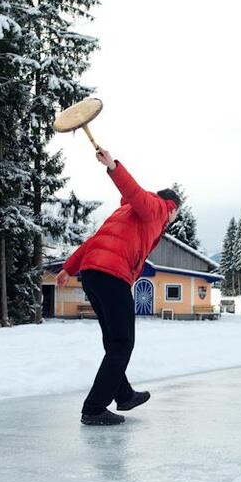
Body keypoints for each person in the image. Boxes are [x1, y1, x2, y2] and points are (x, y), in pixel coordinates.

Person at [56, 147, 181, 426]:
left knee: (114, 341)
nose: (173, 221)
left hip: (92, 272)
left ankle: (123, 394)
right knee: (123, 342)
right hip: (112, 275)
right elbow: (135, 191)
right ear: (173, 208)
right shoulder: (156, 209)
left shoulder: (126, 214)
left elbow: (93, 241)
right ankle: (94, 407)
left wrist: (68, 267)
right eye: (176, 215)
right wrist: (113, 166)